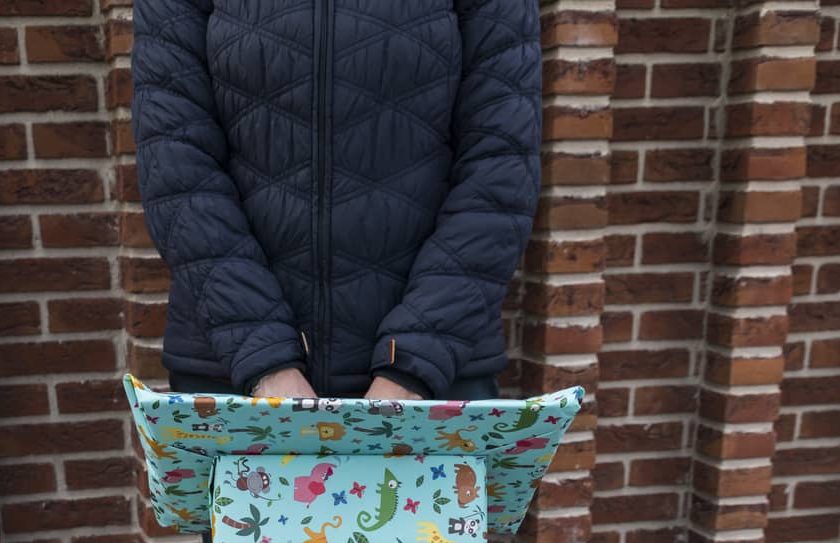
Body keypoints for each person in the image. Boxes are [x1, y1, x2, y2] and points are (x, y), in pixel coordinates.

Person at [130, 0, 541, 406]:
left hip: (437, 374)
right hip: (232, 370)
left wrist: (412, 364)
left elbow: (500, 167)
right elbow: (175, 164)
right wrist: (265, 360)